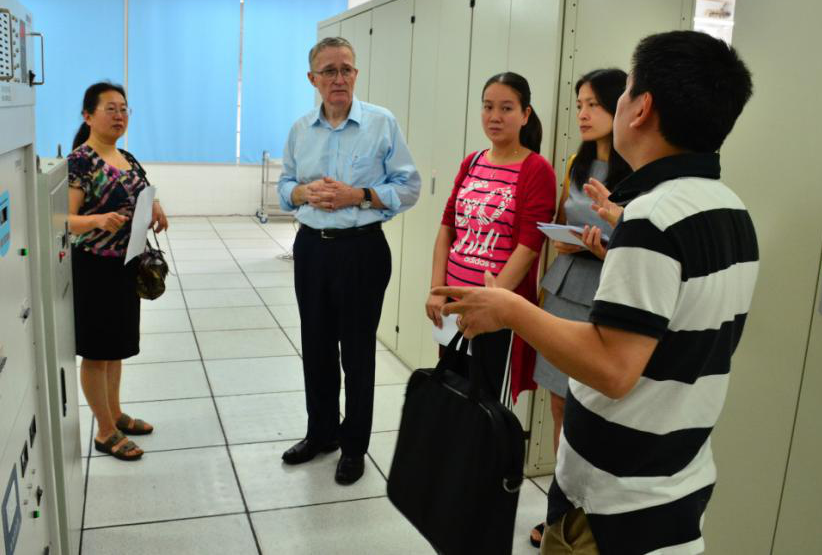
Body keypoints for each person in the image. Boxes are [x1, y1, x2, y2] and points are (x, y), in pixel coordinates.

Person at [435, 30, 758, 555]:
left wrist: (510, 308)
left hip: (613, 501)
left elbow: (611, 368)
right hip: (676, 476)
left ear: (642, 108)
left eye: (623, 91)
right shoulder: (728, 208)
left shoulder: (653, 217)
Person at [277, 37, 421, 485]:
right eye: (329, 71)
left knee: (357, 353)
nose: (339, 78)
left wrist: (358, 195)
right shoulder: (301, 130)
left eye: (346, 69)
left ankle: (354, 446)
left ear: (355, 74)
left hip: (362, 250)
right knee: (316, 347)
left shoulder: (381, 123)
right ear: (313, 79)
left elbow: (409, 187)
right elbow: (284, 186)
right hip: (312, 249)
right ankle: (321, 433)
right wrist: (302, 192)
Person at [529, 69, 631, 548]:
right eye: (579, 105)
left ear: (620, 107)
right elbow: (561, 219)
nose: (583, 115)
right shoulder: (577, 163)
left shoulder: (639, 174)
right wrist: (566, 242)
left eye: (594, 104)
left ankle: (587, 516)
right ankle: (559, 510)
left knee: (592, 410)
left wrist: (602, 248)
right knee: (557, 402)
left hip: (607, 291)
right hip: (566, 286)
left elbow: (642, 250)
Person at [425, 71, 556, 400]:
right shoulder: (472, 162)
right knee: (451, 396)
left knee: (485, 406)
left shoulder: (536, 170)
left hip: (496, 312)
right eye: (488, 107)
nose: (494, 116)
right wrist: (437, 291)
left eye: (506, 108)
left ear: (525, 115)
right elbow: (447, 228)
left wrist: (486, 304)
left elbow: (528, 248)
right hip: (454, 306)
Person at [68, 82, 168, 461]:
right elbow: (61, 218)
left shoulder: (126, 156)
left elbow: (142, 193)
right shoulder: (80, 161)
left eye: (124, 108)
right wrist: (96, 220)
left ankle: (115, 413)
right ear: (88, 116)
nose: (119, 115)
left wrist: (156, 207)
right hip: (95, 268)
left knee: (115, 350)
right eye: (110, 108)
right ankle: (105, 431)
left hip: (126, 264)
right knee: (97, 353)